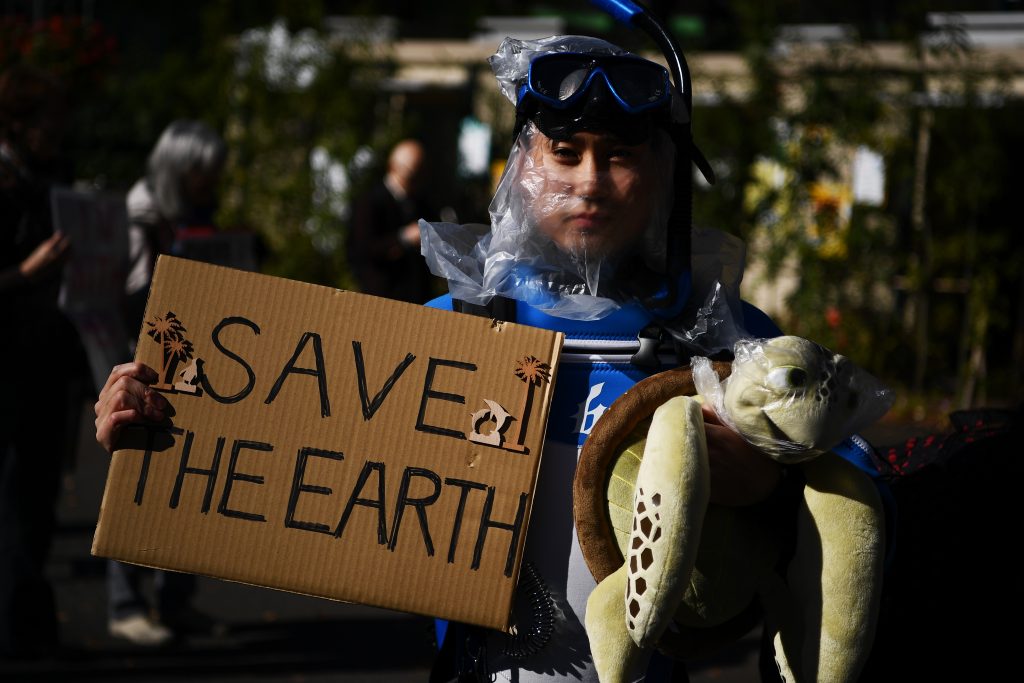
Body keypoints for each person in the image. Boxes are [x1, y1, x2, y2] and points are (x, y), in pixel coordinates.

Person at [106, 118, 228, 647]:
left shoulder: (186, 212)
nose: (213, 182)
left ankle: (175, 600)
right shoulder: (140, 214)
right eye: (205, 172)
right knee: (135, 477)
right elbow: (131, 294)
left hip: (182, 362)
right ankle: (126, 602)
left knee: (186, 478)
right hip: (138, 365)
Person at [0, 64, 89, 660]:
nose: (58, 134)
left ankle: (31, 629)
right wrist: (25, 273)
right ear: (21, 123)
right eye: (49, 124)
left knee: (37, 498)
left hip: (47, 355)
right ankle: (16, 630)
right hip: (7, 359)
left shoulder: (51, 175)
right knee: (11, 500)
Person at [346, 138, 442, 303]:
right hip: (382, 296)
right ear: (394, 167)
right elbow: (362, 249)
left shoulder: (420, 202)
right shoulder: (369, 202)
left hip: (417, 297)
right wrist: (403, 238)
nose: (416, 180)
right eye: (412, 174)